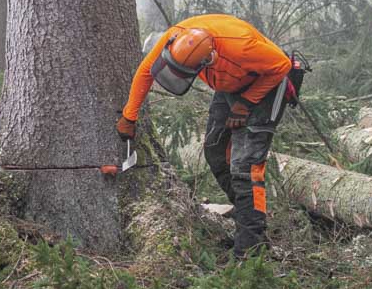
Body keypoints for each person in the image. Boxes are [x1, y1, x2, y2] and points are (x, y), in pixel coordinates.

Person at [117, 14, 295, 257]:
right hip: (228, 83)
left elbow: (282, 66)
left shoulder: (242, 48)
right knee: (215, 152)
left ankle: (250, 249)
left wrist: (246, 103)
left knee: (245, 166)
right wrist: (129, 116)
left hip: (265, 86)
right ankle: (249, 219)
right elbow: (147, 71)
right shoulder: (176, 35)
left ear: (208, 59)